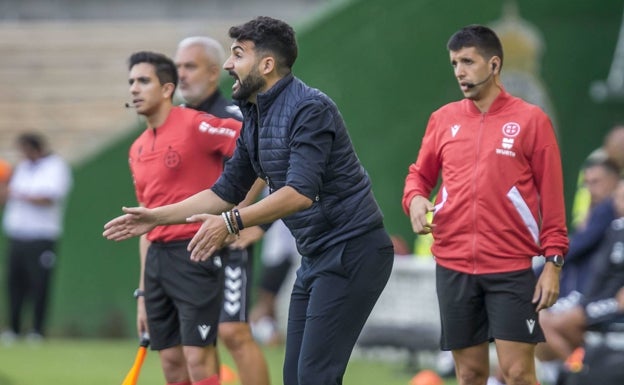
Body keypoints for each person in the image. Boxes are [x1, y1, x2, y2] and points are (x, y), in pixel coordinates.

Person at [104, 16, 395, 385]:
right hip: (316, 256)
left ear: (267, 64)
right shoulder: (257, 114)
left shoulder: (310, 109)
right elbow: (223, 192)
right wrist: (155, 218)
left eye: (238, 55)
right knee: (296, 377)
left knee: (314, 377)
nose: (228, 65)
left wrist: (232, 223)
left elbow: (299, 193)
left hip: (353, 252)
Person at [402, 25, 569, 385]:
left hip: (510, 269)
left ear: (494, 64)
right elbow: (419, 176)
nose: (459, 71)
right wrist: (415, 199)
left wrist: (554, 263)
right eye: (454, 63)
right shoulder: (443, 119)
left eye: (468, 61)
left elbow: (553, 201)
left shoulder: (532, 121)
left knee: (518, 373)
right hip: (453, 266)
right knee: (471, 374)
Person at [122, 51, 243, 385]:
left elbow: (253, 147)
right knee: (172, 363)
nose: (134, 88)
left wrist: (240, 215)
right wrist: (143, 296)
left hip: (196, 251)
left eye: (143, 80)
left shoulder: (194, 123)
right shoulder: (137, 148)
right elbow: (147, 225)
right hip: (158, 261)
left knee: (197, 357)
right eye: (131, 81)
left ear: (166, 89)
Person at [174, 36, 270, 385]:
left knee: (233, 331)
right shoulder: (177, 118)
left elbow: (260, 164)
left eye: (190, 66)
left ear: (214, 72)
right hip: (187, 240)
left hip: (227, 237)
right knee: (195, 339)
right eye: (179, 66)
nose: (181, 74)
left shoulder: (233, 114)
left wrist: (238, 219)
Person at [536, 178, 624, 383]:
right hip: (591, 297)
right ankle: (579, 369)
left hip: (611, 302)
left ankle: (579, 372)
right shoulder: (613, 228)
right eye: (617, 197)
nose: (618, 203)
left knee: (544, 325)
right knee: (535, 322)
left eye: (622, 198)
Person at [1, 132, 72, 343]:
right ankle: (13, 329)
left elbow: (48, 197)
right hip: (17, 235)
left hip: (41, 236)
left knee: (39, 284)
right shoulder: (22, 168)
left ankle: (37, 331)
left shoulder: (56, 167)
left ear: (34, 148)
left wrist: (17, 193)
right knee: (14, 284)